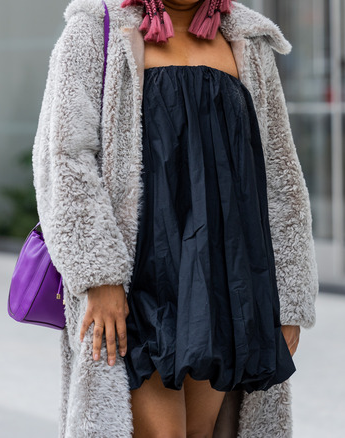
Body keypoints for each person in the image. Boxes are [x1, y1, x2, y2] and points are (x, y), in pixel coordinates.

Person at [31, 0, 319, 436]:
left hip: (226, 278)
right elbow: (65, 158)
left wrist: (290, 298)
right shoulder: (96, 33)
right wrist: (99, 276)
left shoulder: (248, 40)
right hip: (138, 283)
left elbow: (281, 174)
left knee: (202, 432)